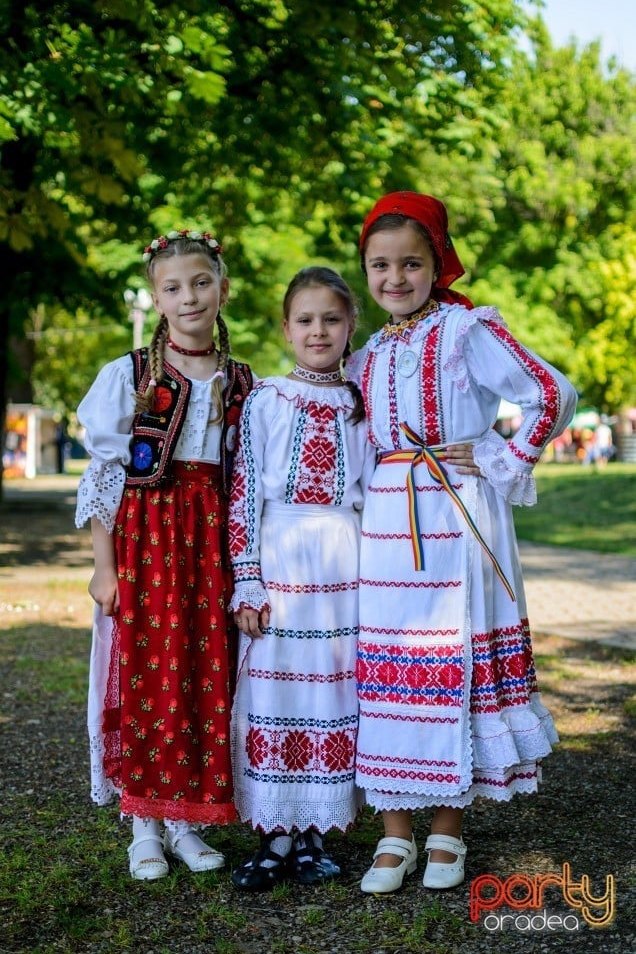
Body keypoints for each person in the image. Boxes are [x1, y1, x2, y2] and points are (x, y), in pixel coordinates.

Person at [345, 192, 578, 895]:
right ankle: (393, 834)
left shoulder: (463, 329)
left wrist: (500, 454)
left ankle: (447, 826)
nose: (394, 278)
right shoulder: (368, 352)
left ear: (437, 262)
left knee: (454, 659)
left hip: (454, 509)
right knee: (390, 665)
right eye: (379, 265)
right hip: (387, 522)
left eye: (410, 263)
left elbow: (550, 389)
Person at [75, 229, 253, 880]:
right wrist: (103, 565)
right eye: (173, 288)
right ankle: (143, 824)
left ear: (223, 290)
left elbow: (244, 476)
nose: (189, 297)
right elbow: (102, 476)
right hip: (145, 541)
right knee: (150, 671)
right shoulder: (131, 374)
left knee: (203, 671)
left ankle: (187, 819)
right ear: (155, 299)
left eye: (201, 283)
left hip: (209, 543)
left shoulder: (241, 381)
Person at [227, 267, 377, 890]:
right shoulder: (267, 398)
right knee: (276, 692)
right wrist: (249, 580)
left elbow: (372, 494)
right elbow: (243, 492)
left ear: (350, 329)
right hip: (283, 556)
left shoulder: (359, 403)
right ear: (286, 329)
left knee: (332, 690)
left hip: (344, 561)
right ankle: (274, 832)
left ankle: (317, 833)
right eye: (306, 320)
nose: (319, 331)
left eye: (333, 320)